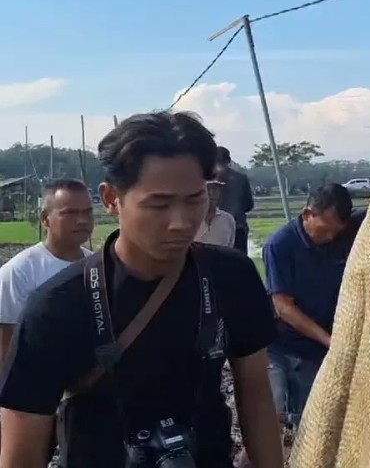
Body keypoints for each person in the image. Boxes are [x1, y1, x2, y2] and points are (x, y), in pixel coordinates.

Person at [0, 112, 284, 468]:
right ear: (110, 198)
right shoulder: (57, 307)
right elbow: (23, 448)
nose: (181, 222)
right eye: (159, 204)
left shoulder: (231, 277)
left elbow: (255, 391)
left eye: (195, 199)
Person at [263, 183, 365, 428]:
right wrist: (330, 340)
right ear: (308, 214)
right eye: (324, 230)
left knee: (309, 421)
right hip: (278, 346)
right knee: (267, 420)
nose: (329, 237)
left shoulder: (342, 236)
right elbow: (283, 307)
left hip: (314, 352)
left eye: (335, 232)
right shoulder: (279, 245)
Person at [0, 179, 94, 364]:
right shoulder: (19, 272)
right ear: (45, 219)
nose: (82, 220)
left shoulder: (98, 266)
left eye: (88, 212)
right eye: (70, 213)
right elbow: (6, 346)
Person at [214, 146, 255, 254]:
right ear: (228, 161)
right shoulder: (241, 178)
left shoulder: (208, 178)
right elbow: (249, 204)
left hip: (216, 226)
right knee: (239, 263)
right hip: (238, 226)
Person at [196, 179, 237, 248]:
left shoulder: (228, 220)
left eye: (215, 189)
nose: (211, 193)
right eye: (207, 189)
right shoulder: (190, 218)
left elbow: (230, 249)